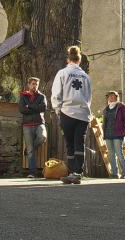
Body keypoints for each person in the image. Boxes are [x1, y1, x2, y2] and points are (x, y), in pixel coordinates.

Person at [51, 46, 92, 185]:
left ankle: (71, 172)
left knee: (70, 144)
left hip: (68, 112)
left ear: (68, 59)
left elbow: (56, 93)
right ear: (79, 60)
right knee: (79, 142)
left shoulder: (63, 73)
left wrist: (57, 109)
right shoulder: (86, 76)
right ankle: (77, 172)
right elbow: (89, 96)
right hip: (83, 113)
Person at [19, 77, 47, 178]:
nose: (34, 85)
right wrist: (35, 108)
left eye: (36, 84)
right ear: (29, 85)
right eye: (33, 84)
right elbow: (22, 110)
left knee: (42, 137)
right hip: (27, 125)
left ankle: (30, 148)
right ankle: (32, 173)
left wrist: (29, 106)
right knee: (30, 151)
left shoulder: (42, 96)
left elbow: (43, 108)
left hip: (39, 123)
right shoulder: (23, 96)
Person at [102, 91, 125, 179]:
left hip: (118, 133)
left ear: (116, 97)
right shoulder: (106, 109)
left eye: (113, 96)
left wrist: (121, 126)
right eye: (109, 96)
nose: (111, 98)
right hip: (108, 134)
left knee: (119, 153)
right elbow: (105, 121)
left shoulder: (121, 107)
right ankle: (114, 173)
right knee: (111, 154)